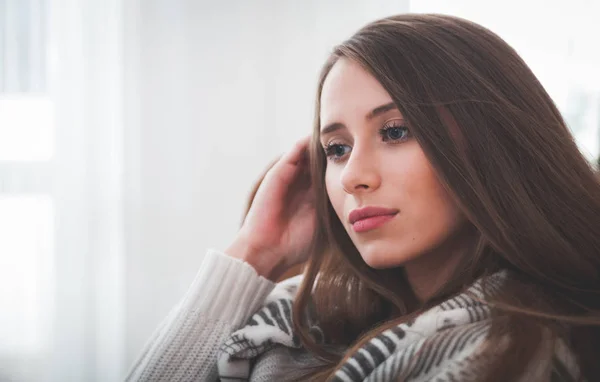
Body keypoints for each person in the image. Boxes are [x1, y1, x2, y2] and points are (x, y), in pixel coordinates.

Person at [125, 14, 600, 382]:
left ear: (493, 142)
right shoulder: (298, 325)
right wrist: (254, 252)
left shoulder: (522, 352)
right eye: (336, 148)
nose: (352, 176)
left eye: (395, 131)